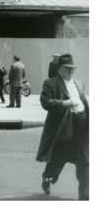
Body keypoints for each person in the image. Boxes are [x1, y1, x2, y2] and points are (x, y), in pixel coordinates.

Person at [36, 53, 89, 200]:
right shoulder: (51, 83)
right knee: (58, 159)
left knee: (85, 162)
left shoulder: (79, 83)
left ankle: (85, 198)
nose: (71, 71)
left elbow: (84, 102)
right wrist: (64, 103)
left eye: (73, 69)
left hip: (82, 127)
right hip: (65, 128)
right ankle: (47, 177)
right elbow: (45, 102)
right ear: (60, 69)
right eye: (68, 69)